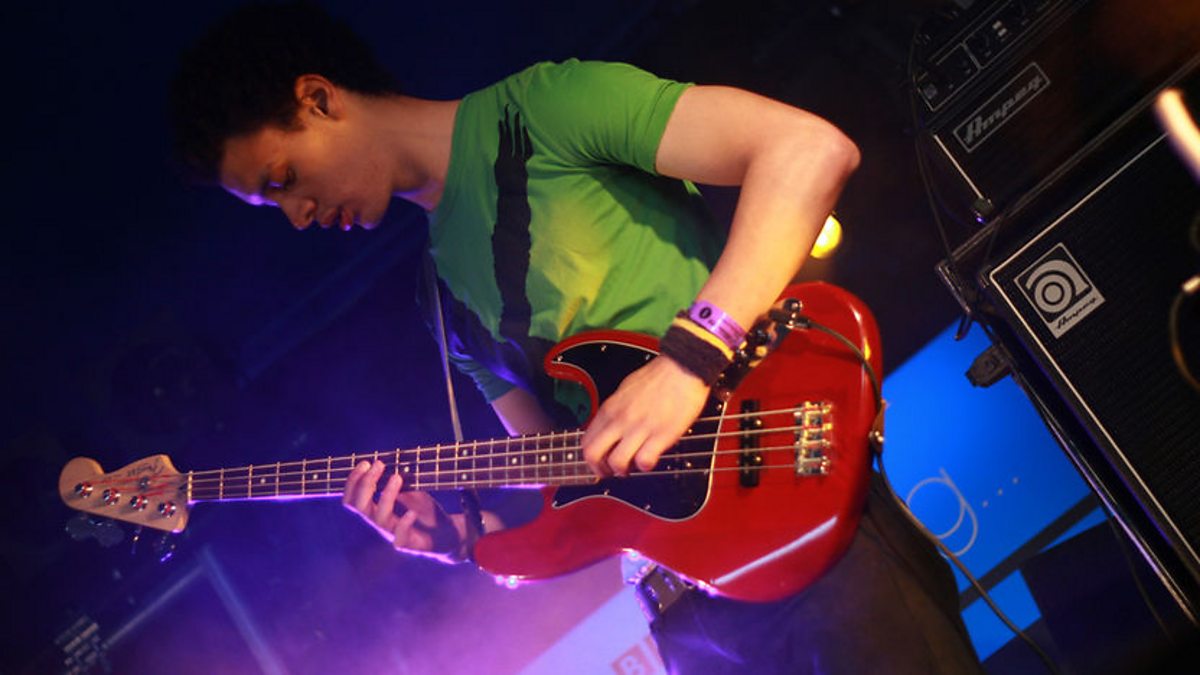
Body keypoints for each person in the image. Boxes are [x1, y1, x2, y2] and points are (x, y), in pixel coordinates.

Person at [171, 3, 984, 672]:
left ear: (318, 98)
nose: (297, 215)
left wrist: (688, 358)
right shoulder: (439, 298)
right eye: (271, 207)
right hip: (686, 614)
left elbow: (808, 149)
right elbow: (575, 477)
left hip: (800, 528)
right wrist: (458, 538)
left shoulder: (544, 108)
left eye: (282, 179)